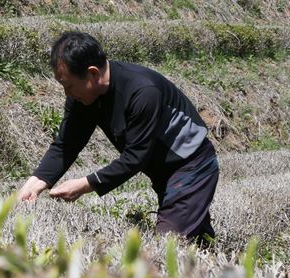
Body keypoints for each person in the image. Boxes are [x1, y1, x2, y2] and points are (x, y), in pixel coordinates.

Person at [18, 31, 219, 243]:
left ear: (93, 73)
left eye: (68, 85)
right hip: (162, 170)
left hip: (191, 165)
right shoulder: (85, 96)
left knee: (168, 243)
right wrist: (38, 180)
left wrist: (87, 184)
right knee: (196, 241)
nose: (67, 93)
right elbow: (67, 143)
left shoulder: (142, 91)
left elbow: (135, 156)